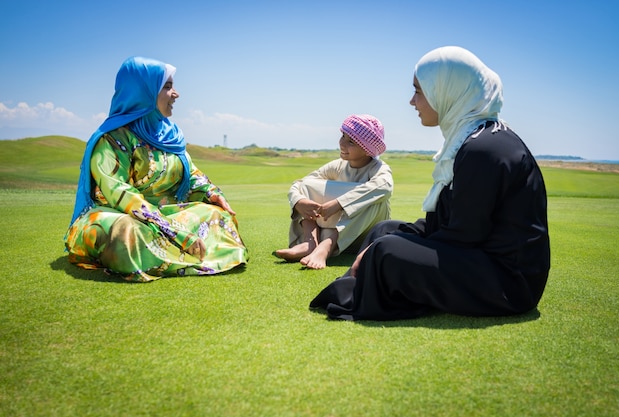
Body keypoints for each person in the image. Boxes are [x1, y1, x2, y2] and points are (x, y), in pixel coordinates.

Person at [310, 46, 550, 320]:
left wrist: (388, 248)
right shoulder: (468, 141)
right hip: (478, 257)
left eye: (419, 91)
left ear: (446, 91)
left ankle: (362, 286)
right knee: (384, 230)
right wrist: (394, 238)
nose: (413, 101)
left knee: (386, 250)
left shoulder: (485, 149)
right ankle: (359, 284)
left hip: (505, 282)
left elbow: (465, 236)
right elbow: (452, 223)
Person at [64, 56, 249, 282]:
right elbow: (120, 193)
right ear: (144, 92)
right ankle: (184, 253)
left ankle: (174, 255)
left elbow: (190, 175)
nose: (176, 94)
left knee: (216, 215)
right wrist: (171, 230)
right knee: (125, 233)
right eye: (168, 87)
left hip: (166, 213)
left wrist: (212, 194)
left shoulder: (169, 135)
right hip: (122, 216)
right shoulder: (111, 139)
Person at [274, 114, 393, 269]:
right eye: (343, 136)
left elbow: (385, 187)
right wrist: (299, 202)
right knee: (306, 185)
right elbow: (300, 185)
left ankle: (325, 248)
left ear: (367, 150)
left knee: (376, 199)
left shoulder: (379, 169)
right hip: (327, 231)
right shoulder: (337, 166)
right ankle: (309, 242)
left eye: (351, 141)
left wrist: (338, 204)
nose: (342, 143)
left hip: (361, 237)